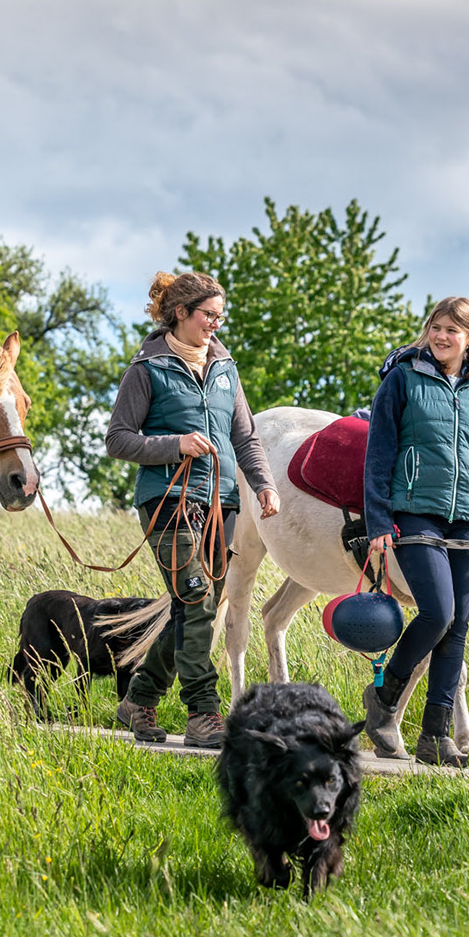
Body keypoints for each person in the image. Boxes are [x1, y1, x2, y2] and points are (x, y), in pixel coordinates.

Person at [105, 270, 280, 748]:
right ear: (180, 312)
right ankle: (203, 713)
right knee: (198, 602)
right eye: (209, 315)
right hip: (167, 498)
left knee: (195, 608)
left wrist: (264, 485)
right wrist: (174, 444)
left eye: (220, 317)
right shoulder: (147, 370)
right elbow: (118, 439)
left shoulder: (226, 369)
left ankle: (139, 699)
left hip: (223, 502)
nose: (215, 325)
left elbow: (245, 437)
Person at [360, 296, 469, 766]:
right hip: (417, 512)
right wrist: (378, 520)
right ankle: (386, 694)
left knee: (458, 628)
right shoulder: (403, 379)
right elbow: (379, 452)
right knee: (438, 613)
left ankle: (434, 736)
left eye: (453, 329)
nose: (441, 336)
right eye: (436, 326)